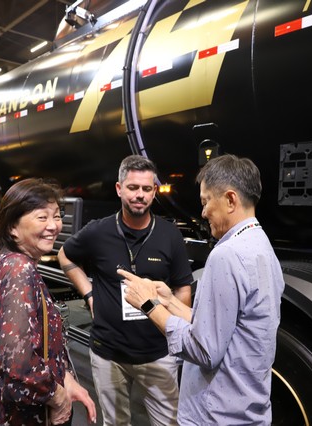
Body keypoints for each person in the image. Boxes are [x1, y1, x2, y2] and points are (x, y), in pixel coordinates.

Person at [121, 154, 285, 425]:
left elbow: (203, 349)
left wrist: (149, 305)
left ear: (230, 199)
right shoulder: (261, 246)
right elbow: (222, 328)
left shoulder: (227, 255)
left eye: (206, 201)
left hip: (214, 415)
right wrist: (169, 301)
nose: (203, 212)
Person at [58, 155, 193, 426]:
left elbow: (182, 288)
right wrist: (89, 294)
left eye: (146, 189)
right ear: (119, 189)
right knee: (115, 423)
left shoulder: (169, 235)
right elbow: (65, 256)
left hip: (158, 354)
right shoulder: (98, 231)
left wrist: (173, 328)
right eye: (133, 188)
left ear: (154, 192)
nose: (140, 195)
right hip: (108, 354)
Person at [0, 178, 96, 425]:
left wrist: (66, 376)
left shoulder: (7, 262)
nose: (53, 226)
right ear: (12, 227)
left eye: (56, 216)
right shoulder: (19, 270)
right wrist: (58, 397)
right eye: (42, 217)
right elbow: (17, 364)